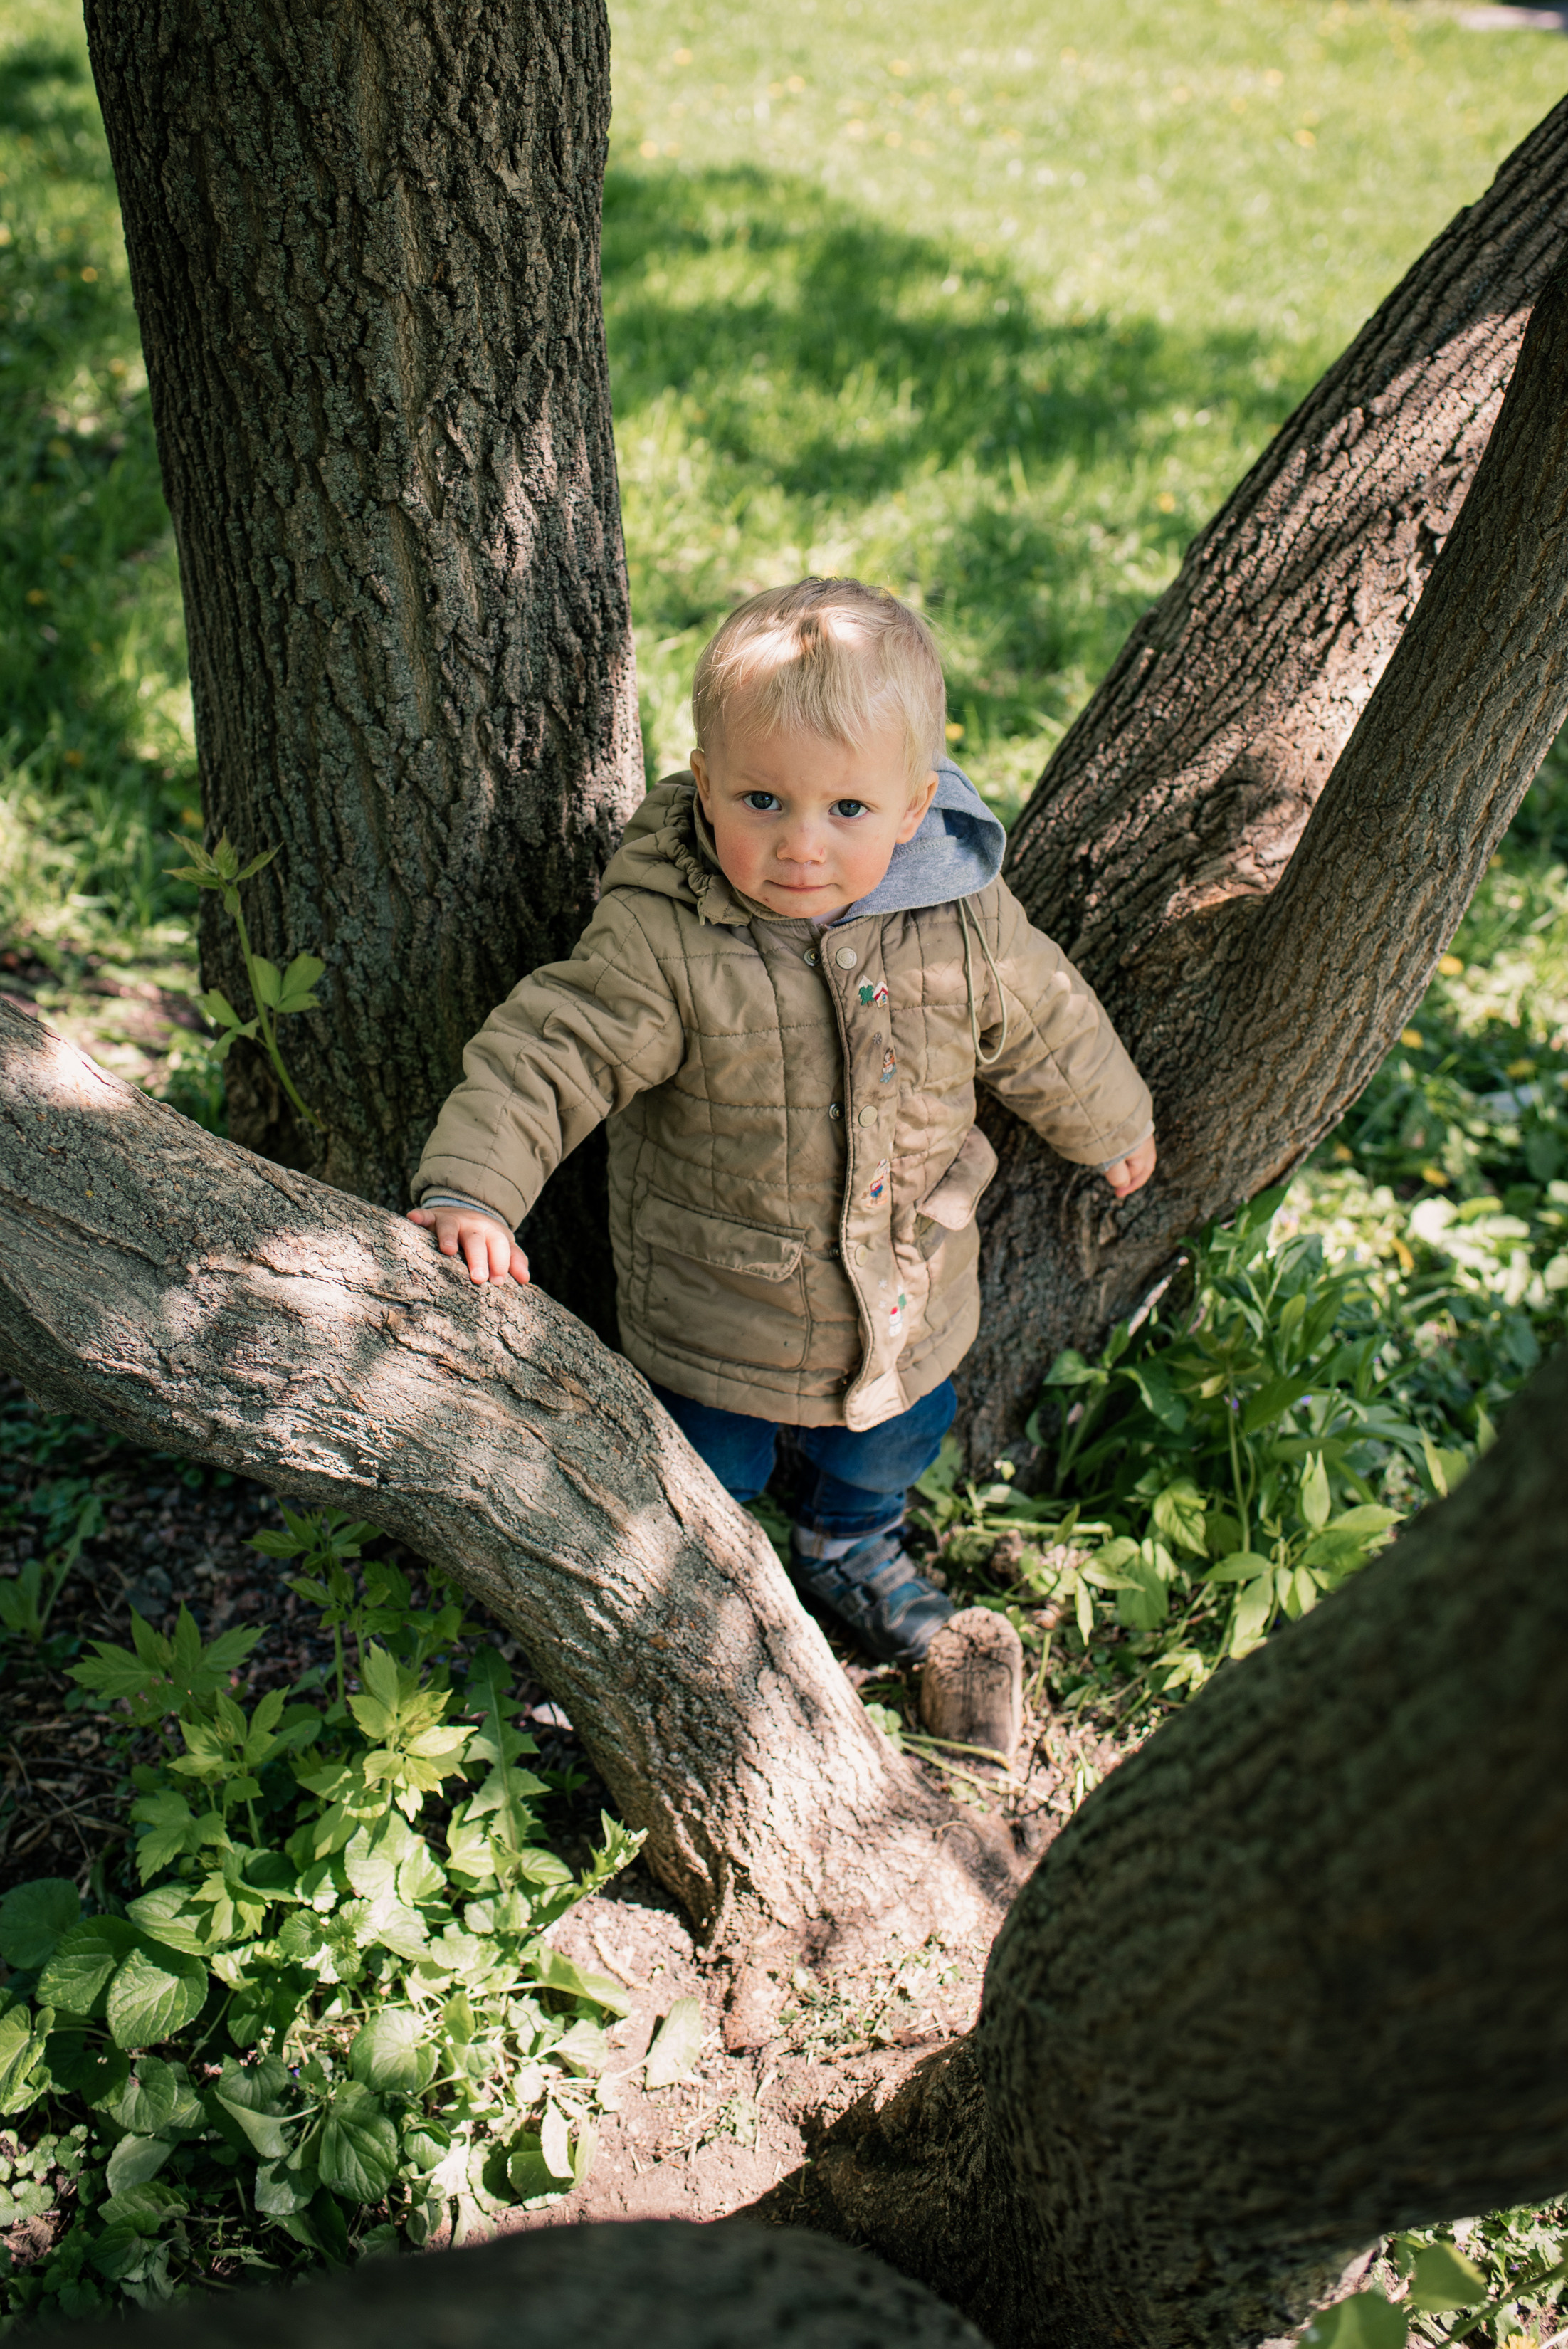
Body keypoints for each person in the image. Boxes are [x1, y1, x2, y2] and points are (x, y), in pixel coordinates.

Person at [410, 579, 1155, 1669]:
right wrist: (474, 1184)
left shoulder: (960, 916)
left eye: (845, 811)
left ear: (912, 809)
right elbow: (553, 1048)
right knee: (697, 1464)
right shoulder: (668, 933)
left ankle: (851, 1547)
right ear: (705, 785)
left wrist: (1111, 1122)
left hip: (908, 1291)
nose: (801, 844)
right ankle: (682, 1600)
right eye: (762, 801)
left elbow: (1046, 1017)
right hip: (720, 1306)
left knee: (896, 1436)